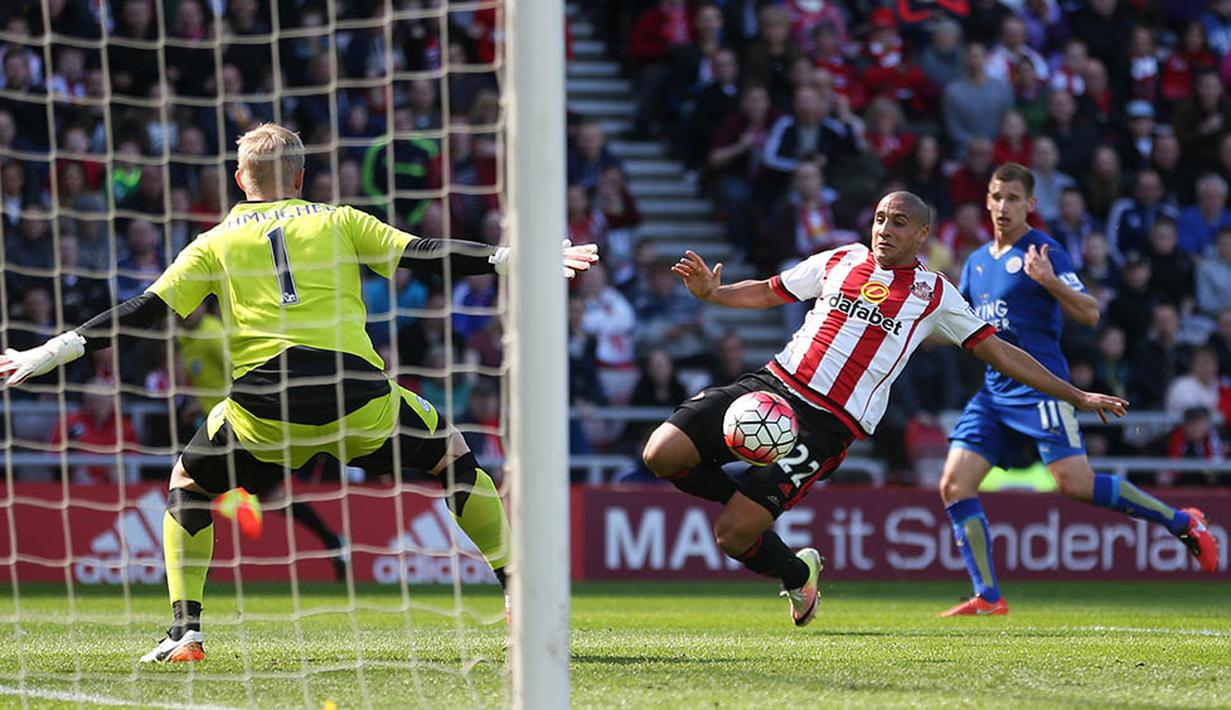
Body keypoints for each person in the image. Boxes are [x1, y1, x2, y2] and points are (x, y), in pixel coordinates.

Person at [0, 123, 600, 663]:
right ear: (302, 176)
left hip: (264, 409)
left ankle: (186, 631)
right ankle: (519, 594)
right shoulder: (338, 219)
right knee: (454, 457)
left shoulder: (214, 241)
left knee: (188, 484)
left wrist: (49, 352)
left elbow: (144, 310)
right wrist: (514, 258)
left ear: (241, 178)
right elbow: (423, 253)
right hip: (355, 395)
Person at [642, 190, 1130, 628]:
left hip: (825, 423)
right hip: (771, 384)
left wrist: (1076, 395)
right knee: (661, 453)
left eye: (898, 223)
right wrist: (714, 294)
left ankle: (796, 572)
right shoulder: (841, 259)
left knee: (731, 535)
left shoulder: (934, 293)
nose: (884, 230)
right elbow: (772, 290)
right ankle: (754, 514)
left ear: (921, 235)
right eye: (879, 219)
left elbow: (1000, 352)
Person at [938, 163, 1220, 618]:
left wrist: (1049, 281)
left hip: (1041, 388)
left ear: (1030, 204)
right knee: (954, 483)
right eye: (996, 196)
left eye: (1013, 198)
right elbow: (960, 327)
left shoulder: (1045, 250)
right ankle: (988, 595)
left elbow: (1090, 312)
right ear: (986, 201)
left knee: (1075, 484)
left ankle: (1182, 521)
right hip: (993, 392)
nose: (1003, 206)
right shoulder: (974, 262)